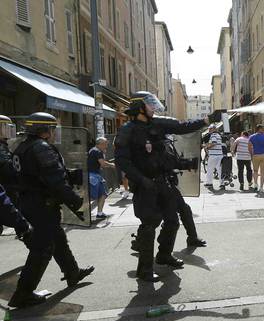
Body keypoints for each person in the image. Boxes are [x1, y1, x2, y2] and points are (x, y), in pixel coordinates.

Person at [115, 91, 208, 282]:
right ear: (139, 107)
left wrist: (207, 120)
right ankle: (145, 270)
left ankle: (164, 255)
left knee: (172, 221)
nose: (153, 108)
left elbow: (182, 127)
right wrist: (141, 180)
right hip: (145, 186)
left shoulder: (157, 124)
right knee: (149, 226)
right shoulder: (128, 130)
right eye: (149, 104)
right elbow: (122, 161)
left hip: (164, 182)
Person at [9, 112, 94, 308]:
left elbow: (32, 175)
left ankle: (72, 272)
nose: (55, 132)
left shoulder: (22, 146)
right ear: (44, 130)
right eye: (53, 128)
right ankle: (23, 293)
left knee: (57, 239)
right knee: (42, 248)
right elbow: (54, 180)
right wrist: (76, 201)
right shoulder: (41, 148)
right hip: (42, 205)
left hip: (30, 202)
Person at [88, 137, 115, 219]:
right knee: (96, 195)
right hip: (94, 176)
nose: (106, 146)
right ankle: (98, 213)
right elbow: (102, 164)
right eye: (105, 144)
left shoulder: (93, 150)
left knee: (101, 194)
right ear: (101, 144)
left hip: (92, 175)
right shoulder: (98, 151)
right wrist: (112, 165)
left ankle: (99, 213)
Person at [249, 124, 264, 193]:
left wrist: (252, 154)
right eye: (263, 128)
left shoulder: (251, 137)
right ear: (260, 129)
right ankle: (261, 187)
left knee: (255, 171)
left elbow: (249, 147)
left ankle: (255, 184)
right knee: (263, 172)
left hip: (255, 155)